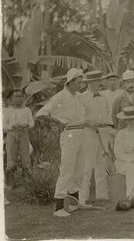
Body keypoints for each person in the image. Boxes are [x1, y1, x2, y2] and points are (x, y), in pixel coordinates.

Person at [37, 68, 85, 217]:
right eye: (79, 81)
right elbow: (41, 114)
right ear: (70, 82)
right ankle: (58, 208)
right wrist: (57, 122)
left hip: (80, 133)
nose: (81, 84)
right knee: (67, 170)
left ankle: (73, 203)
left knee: (78, 170)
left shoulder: (78, 96)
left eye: (82, 81)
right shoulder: (60, 97)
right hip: (69, 134)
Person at [78, 71, 113, 205]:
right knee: (87, 165)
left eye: (98, 81)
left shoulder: (103, 97)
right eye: (94, 81)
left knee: (101, 164)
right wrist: (89, 123)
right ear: (88, 83)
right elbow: (79, 118)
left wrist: (107, 127)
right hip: (89, 134)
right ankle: (83, 197)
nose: (97, 83)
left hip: (102, 133)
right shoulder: (82, 98)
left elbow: (107, 114)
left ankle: (102, 195)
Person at [3, 89, 34, 189]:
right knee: (11, 159)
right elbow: (3, 125)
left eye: (20, 96)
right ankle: (10, 183)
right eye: (16, 96)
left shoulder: (27, 110)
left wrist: (27, 125)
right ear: (12, 98)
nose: (18, 99)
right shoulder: (8, 111)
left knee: (26, 158)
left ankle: (28, 183)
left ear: (23, 98)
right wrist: (13, 125)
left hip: (24, 134)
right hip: (12, 135)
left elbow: (32, 123)